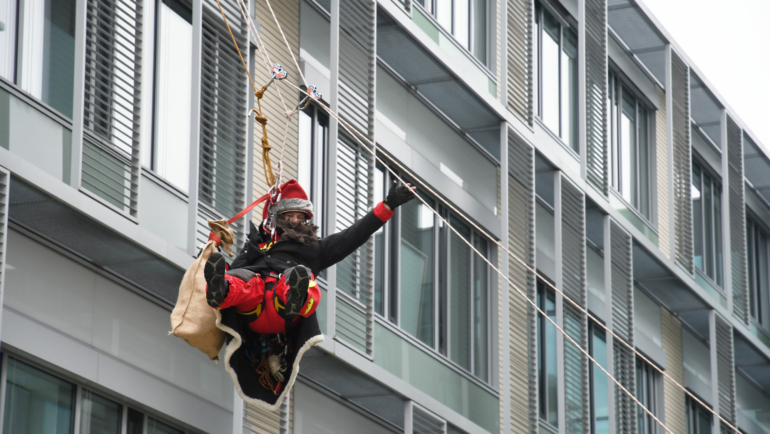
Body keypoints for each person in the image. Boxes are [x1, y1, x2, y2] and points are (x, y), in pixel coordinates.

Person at [204, 178, 415, 408]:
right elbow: (237, 270)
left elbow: (354, 234)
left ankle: (293, 297)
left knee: (302, 280)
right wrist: (212, 268)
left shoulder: (316, 249)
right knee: (242, 281)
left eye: (300, 217)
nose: (295, 221)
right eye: (289, 216)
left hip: (284, 314)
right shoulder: (256, 245)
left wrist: (387, 205)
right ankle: (219, 292)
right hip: (252, 310)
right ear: (277, 217)